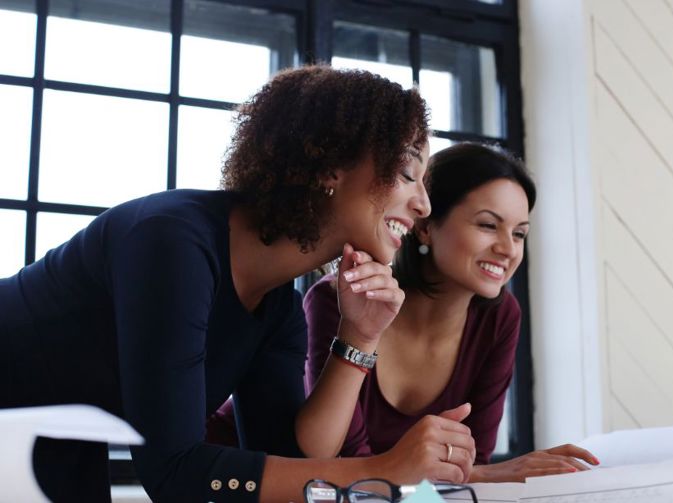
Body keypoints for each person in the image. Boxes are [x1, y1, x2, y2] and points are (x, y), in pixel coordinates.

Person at [0, 66, 477, 503]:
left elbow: (285, 463)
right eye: (406, 173)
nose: (423, 206)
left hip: (50, 450)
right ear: (332, 165)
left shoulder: (276, 310)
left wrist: (360, 337)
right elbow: (174, 472)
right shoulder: (171, 240)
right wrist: (383, 469)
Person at [210, 143, 599, 482]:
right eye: (487, 225)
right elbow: (348, 465)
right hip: (241, 482)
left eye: (519, 234)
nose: (507, 249)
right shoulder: (346, 300)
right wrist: (486, 475)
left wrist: (484, 474)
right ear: (426, 227)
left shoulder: (499, 317)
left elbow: (464, 464)